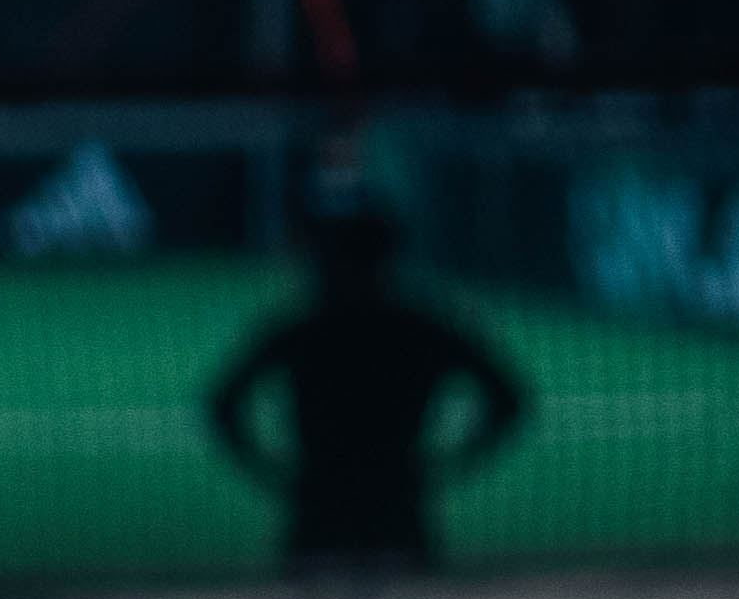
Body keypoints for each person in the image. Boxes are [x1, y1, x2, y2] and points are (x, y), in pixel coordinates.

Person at [198, 189, 534, 572]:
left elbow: (222, 403)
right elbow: (509, 398)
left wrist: (270, 471)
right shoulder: (423, 327)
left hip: (323, 507)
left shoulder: (303, 330)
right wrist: (450, 464)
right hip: (395, 503)